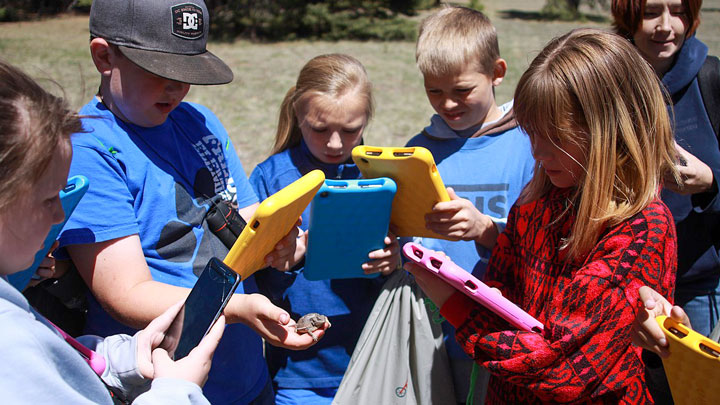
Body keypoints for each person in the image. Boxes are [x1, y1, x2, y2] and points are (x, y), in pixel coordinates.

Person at [56, 1, 324, 404]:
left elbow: (245, 220)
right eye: (161, 71)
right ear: (104, 56)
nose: (177, 87)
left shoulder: (199, 121)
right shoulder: (90, 151)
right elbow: (126, 292)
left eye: (187, 72)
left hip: (244, 375)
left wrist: (283, 243)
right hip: (164, 384)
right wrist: (234, 307)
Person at [405, 28, 680, 404]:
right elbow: (501, 295)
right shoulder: (537, 201)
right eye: (532, 134)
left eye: (556, 137)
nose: (537, 152)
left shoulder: (640, 229)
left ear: (611, 129)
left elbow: (565, 372)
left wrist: (454, 306)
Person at [0, 59, 223, 404]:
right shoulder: (11, 345)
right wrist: (177, 391)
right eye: (48, 200)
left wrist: (128, 357)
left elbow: (61, 353)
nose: (61, 213)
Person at [247, 53, 400, 404]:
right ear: (298, 113)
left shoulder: (378, 176)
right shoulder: (272, 178)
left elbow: (399, 264)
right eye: (320, 129)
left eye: (350, 130)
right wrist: (288, 260)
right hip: (298, 374)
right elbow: (250, 277)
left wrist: (393, 262)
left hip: (371, 364)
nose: (335, 143)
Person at [407, 6, 535, 402]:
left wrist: (484, 229)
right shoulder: (417, 152)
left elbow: (544, 244)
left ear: (497, 73)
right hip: (436, 330)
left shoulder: (531, 144)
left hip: (511, 331)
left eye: (461, 90)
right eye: (435, 91)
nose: (447, 104)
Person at [612, 0, 720, 402]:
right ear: (626, 13)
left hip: (697, 282)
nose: (665, 25)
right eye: (650, 11)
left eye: (677, 10)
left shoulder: (712, 78)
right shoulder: (608, 78)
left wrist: (711, 181)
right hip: (621, 284)